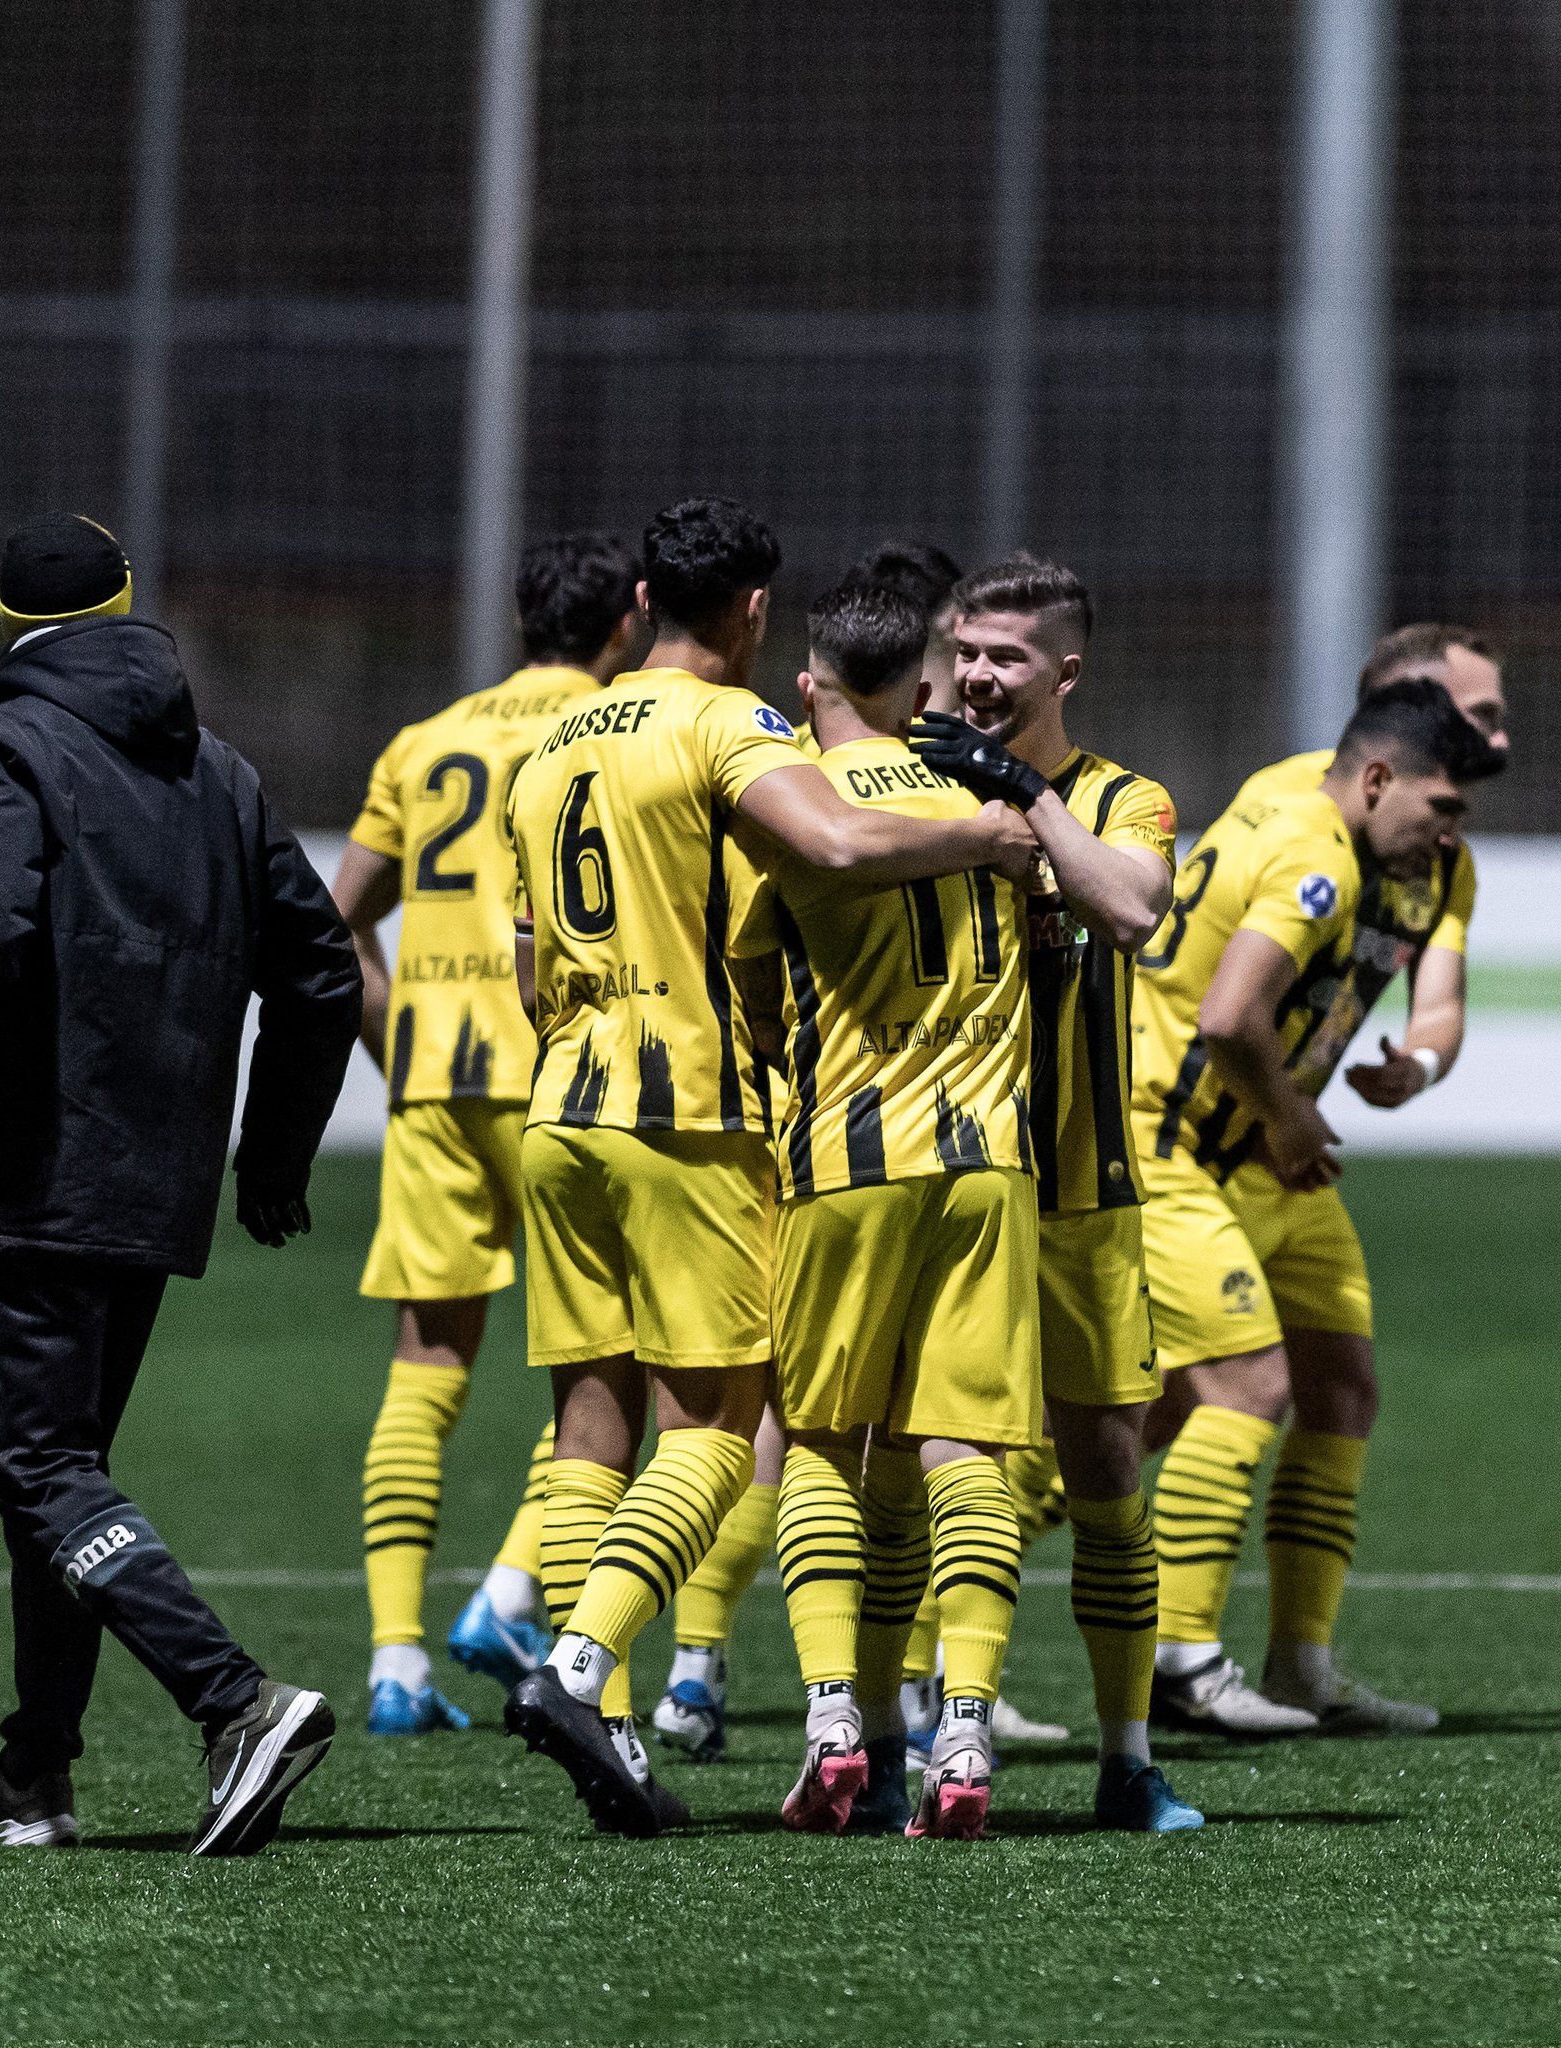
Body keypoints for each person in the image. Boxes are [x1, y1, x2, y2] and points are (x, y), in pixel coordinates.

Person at [498, 496, 1040, 1837]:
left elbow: (526, 963)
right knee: (725, 1423)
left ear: (638, 606)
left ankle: (612, 1727)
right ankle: (577, 1672)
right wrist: (989, 831)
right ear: (748, 614)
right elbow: (842, 842)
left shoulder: (550, 738)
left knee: (589, 1425)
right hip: (686, 1114)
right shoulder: (728, 723)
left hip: (560, 1109)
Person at [0, 513, 362, 1856]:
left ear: (8, 620)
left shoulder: (3, 746)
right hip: (158, 1179)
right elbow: (319, 972)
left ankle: (235, 1700)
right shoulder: (225, 773)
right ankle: (35, 1774)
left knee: (39, 1469)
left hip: (35, 1159)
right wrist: (270, 1153)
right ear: (133, 605)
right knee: (64, 1471)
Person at [1142, 625, 1507, 1734]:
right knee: (1190, 1400)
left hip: (1267, 1152)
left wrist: (1418, 1062)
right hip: (1176, 1145)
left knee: (1335, 1383)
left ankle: (1297, 1661)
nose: (1497, 735)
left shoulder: (1429, 849)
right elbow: (1223, 1014)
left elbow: (1434, 1000)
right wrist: (1293, 1114)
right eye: (1478, 714)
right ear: (1395, 731)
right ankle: (1172, 1660)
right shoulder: (1313, 837)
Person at [648, 538, 965, 1769]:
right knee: (911, 1427)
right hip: (907, 1139)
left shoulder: (747, 754)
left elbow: (747, 952)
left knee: (775, 1413)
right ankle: (927, 1697)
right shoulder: (947, 798)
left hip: (773, 1120)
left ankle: (690, 1669)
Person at [331, 532, 648, 1737]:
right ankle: (523, 1602)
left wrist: (398, 1041)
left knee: (426, 1362)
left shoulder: (425, 742)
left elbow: (335, 918)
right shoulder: (609, 732)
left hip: (437, 1081)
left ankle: (396, 1661)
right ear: (625, 619)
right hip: (565, 1078)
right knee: (602, 1369)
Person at [741, 576, 1041, 1840]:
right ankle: (958, 1722)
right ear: (924, 690)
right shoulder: (994, 809)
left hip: (846, 1163)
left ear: (808, 687)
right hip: (989, 1167)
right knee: (964, 1451)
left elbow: (753, 991)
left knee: (819, 1439)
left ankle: (826, 1721)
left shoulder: (791, 813)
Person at [908, 555, 1202, 1830]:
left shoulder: (1125, 799)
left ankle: (1125, 1754)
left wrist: (1024, 796)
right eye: (966, 650)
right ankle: (924, 1723)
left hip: (1084, 1195)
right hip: (945, 1177)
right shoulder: (908, 784)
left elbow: (1132, 912)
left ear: (1062, 671)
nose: (977, 674)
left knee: (1105, 1470)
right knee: (929, 1458)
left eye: (1006, 657)